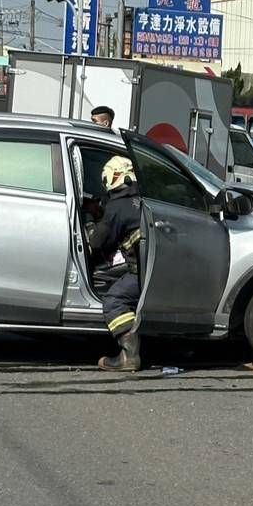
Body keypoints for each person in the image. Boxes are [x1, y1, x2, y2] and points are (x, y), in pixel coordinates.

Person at [88, 156, 143, 372]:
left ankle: (129, 356)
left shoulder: (117, 207)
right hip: (155, 269)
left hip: (140, 272)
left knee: (114, 300)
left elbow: (97, 241)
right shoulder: (143, 199)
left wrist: (90, 221)